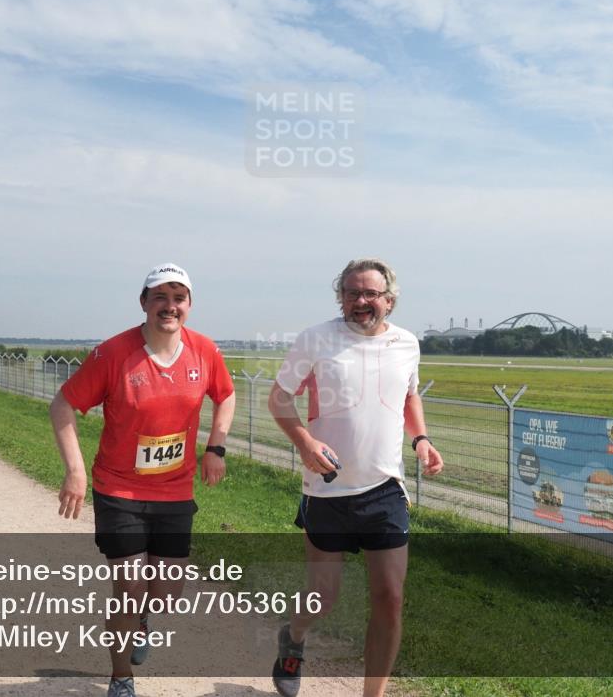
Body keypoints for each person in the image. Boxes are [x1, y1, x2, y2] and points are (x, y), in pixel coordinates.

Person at [51, 263, 236, 697]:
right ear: (143, 303)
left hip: (175, 489)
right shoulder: (112, 354)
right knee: (130, 584)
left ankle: (143, 621)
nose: (169, 306)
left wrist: (216, 448)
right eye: (160, 297)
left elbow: (225, 396)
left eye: (178, 298)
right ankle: (121, 677)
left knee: (166, 592)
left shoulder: (205, 351)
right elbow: (62, 406)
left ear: (189, 306)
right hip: (119, 488)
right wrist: (75, 471)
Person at [267, 258, 443, 697]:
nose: (360, 301)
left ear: (389, 299)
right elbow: (278, 399)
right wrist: (305, 444)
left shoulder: (407, 344)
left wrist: (420, 438)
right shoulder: (316, 339)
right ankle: (294, 636)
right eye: (351, 293)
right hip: (327, 488)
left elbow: (409, 395)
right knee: (322, 600)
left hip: (385, 490)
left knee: (390, 597)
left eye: (370, 293)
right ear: (340, 297)